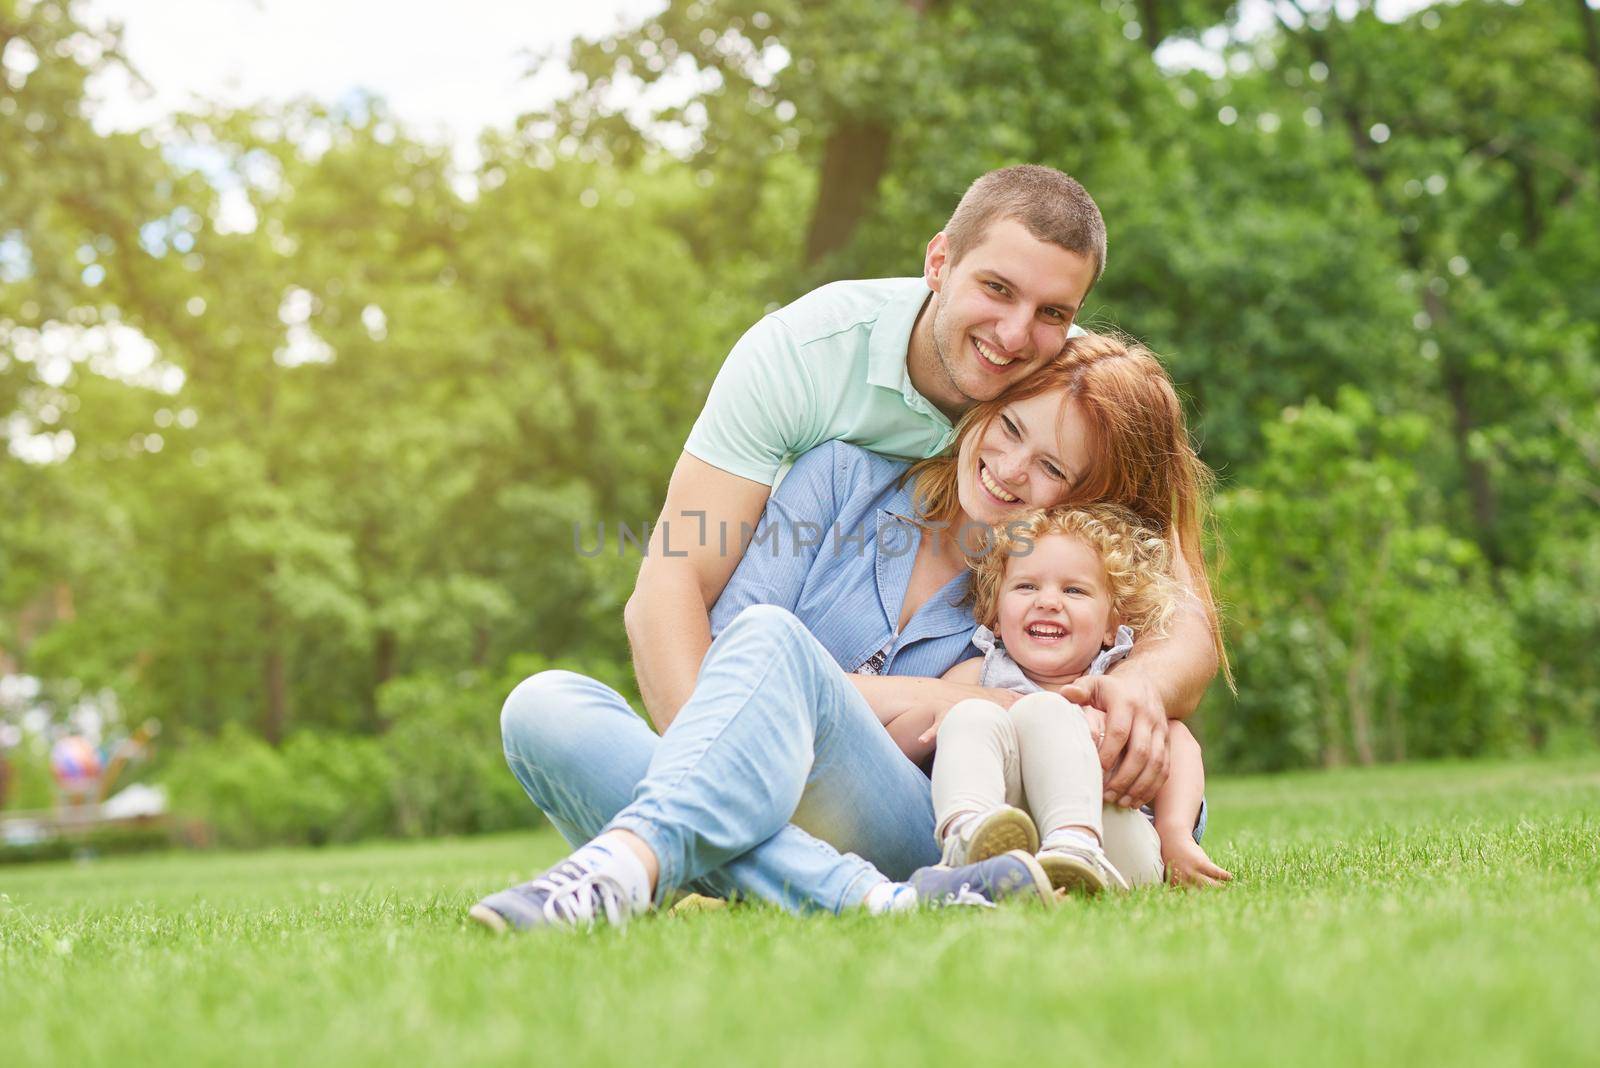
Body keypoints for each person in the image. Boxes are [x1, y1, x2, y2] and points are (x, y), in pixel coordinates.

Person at [470, 333, 1220, 930]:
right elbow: (728, 680)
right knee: (543, 708)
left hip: (914, 823)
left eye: (1052, 467)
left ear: (1087, 500)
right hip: (753, 782)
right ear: (987, 408)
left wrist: (827, 701)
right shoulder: (841, 478)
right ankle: (869, 900)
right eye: (1011, 428)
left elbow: (1078, 727)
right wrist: (909, 703)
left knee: (775, 643)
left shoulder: (1043, 599)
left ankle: (625, 868)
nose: (1010, 468)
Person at [626, 166, 1221, 813]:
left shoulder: (1074, 392)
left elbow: (1184, 618)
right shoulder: (802, 356)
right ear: (939, 261)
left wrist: (1135, 685)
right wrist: (712, 772)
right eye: (996, 288)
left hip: (923, 780)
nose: (1017, 335)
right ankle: (718, 830)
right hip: (770, 740)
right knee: (549, 712)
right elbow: (671, 580)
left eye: (1053, 312)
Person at [916, 504, 1234, 896]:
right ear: (996, 615)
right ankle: (968, 841)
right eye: (1026, 586)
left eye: (1074, 590)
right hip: (1021, 840)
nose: (1048, 601)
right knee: (966, 715)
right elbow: (920, 741)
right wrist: (950, 722)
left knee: (1046, 711)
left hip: (1114, 845)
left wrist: (1175, 835)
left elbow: (1181, 745)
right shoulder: (974, 676)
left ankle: (1076, 847)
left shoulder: (1114, 687)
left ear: (1111, 625)